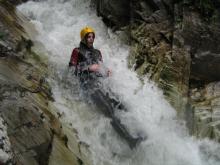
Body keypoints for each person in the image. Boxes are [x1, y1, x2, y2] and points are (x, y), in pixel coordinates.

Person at [69, 26, 143, 149]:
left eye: (92, 36)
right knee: (109, 110)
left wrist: (106, 71)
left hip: (101, 84)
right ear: (83, 38)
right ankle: (130, 140)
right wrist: (88, 68)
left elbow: (100, 69)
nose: (91, 39)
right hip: (88, 86)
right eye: (88, 36)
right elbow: (71, 69)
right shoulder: (77, 51)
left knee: (122, 105)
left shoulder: (97, 52)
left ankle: (141, 132)